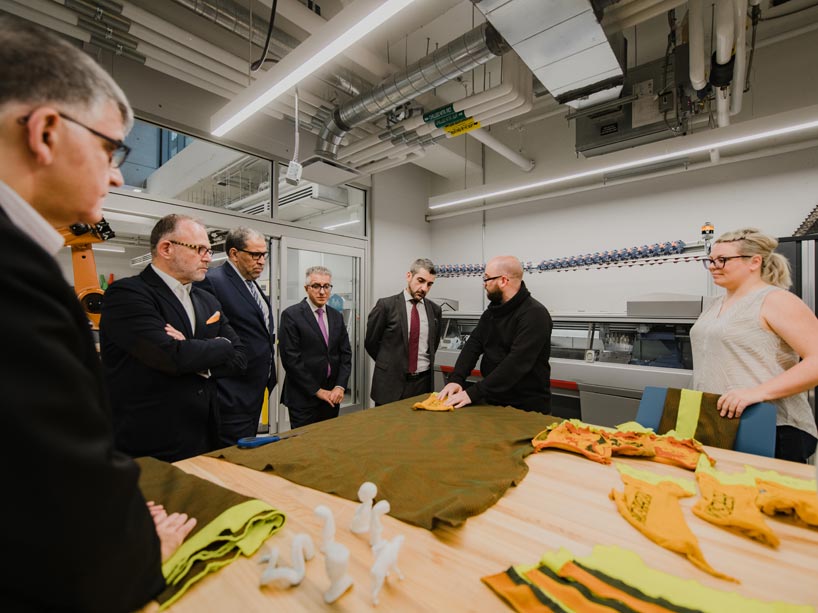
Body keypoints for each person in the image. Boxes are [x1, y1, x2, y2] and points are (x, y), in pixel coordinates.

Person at [0, 15, 196, 612]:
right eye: (111, 148)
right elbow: (50, 481)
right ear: (47, 131)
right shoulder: (16, 273)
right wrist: (135, 550)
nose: (115, 174)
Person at [100, 214, 247, 462]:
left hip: (205, 434)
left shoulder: (206, 299)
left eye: (209, 250)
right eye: (200, 249)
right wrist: (220, 346)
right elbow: (170, 357)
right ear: (166, 248)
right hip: (150, 441)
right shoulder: (128, 294)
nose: (208, 257)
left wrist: (193, 351)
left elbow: (240, 357)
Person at [691, 228, 818, 463]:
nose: (713, 266)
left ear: (754, 262)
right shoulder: (714, 305)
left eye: (723, 260)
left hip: (771, 426)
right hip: (719, 423)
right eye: (709, 260)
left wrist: (756, 393)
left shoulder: (776, 300)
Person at [438, 255, 552, 412]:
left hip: (525, 407)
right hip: (493, 400)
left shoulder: (534, 314)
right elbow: (474, 345)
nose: (484, 284)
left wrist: (473, 393)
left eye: (487, 279)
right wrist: (456, 379)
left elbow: (516, 364)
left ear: (503, 280)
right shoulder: (492, 312)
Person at [197, 227, 277, 445]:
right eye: (255, 255)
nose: (262, 261)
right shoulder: (213, 281)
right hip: (231, 392)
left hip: (255, 389)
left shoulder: (252, 285)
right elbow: (208, 336)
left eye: (264, 255)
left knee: (247, 448)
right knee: (228, 455)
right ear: (234, 254)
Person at [279, 266, 352, 428]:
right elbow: (291, 360)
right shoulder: (291, 315)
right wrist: (318, 391)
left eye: (326, 286)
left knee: (327, 442)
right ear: (307, 288)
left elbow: (345, 354)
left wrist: (340, 386)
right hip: (304, 396)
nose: (322, 291)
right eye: (316, 286)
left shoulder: (336, 316)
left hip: (332, 396)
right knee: (304, 445)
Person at [365, 258, 443, 405]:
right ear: (409, 276)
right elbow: (371, 343)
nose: (424, 288)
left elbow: (434, 343)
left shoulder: (435, 310)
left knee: (419, 427)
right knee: (387, 427)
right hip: (390, 383)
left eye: (429, 284)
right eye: (420, 280)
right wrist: (390, 363)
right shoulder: (386, 306)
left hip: (423, 383)